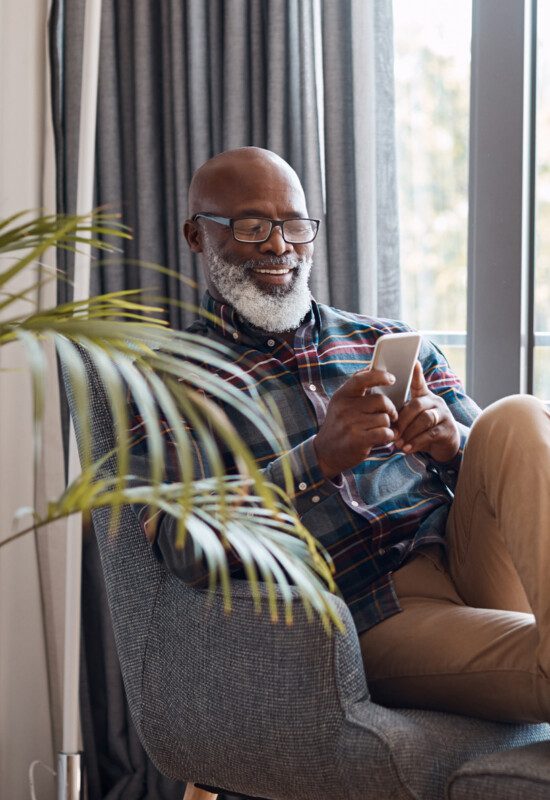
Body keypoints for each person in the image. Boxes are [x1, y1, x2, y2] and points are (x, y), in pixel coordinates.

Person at [133, 146, 550, 724]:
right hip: (378, 612)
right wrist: (317, 458)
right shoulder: (171, 382)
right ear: (197, 235)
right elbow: (184, 548)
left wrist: (451, 443)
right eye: (252, 226)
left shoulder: (386, 338)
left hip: (471, 560)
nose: (280, 246)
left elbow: (513, 470)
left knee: (518, 416)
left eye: (295, 225)